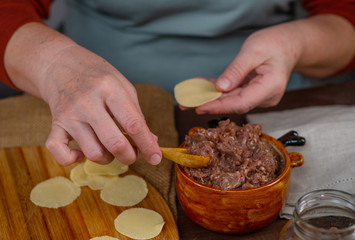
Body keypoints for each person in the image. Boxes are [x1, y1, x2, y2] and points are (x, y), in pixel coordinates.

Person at [1, 0, 354, 167]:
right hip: (82, 92)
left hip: (280, 91)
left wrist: (295, 46)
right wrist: (53, 65)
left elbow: (345, 14)